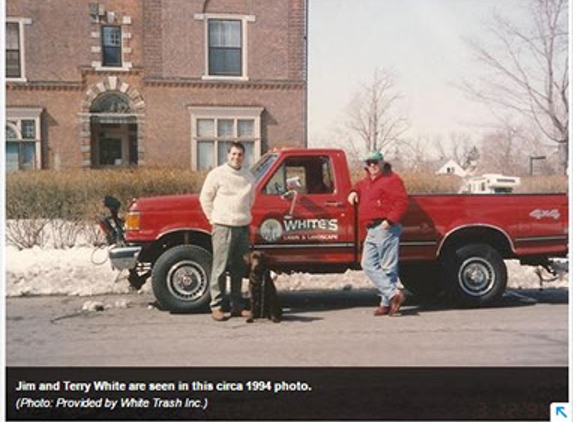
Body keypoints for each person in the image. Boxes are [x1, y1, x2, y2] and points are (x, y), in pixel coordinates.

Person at [347, 150, 408, 317]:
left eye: (375, 162)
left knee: (388, 267)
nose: (372, 165)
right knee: (367, 264)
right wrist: (353, 191)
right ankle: (392, 295)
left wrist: (389, 222)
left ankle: (386, 303)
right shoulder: (366, 182)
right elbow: (357, 186)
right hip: (371, 230)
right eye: (369, 162)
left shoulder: (392, 180)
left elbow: (402, 202)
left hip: (385, 228)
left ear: (382, 163)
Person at [200, 142, 255, 322]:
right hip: (223, 226)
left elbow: (251, 200)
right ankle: (217, 306)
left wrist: (242, 216)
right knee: (220, 268)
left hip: (242, 227)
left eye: (239, 154)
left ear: (243, 157)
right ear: (227, 155)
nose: (236, 157)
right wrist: (213, 219)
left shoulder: (248, 176)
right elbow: (205, 198)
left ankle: (237, 306)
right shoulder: (217, 174)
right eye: (233, 154)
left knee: (239, 268)